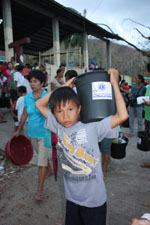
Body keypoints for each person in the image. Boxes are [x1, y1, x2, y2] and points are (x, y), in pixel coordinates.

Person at [35, 68, 128, 225]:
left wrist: (114, 84)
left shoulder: (92, 127)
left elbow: (122, 116)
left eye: (70, 109)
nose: (65, 115)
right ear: (55, 114)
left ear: (79, 109)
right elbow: (39, 104)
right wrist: (63, 88)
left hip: (94, 202)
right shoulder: (58, 127)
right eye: (59, 111)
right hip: (72, 199)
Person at [13, 70, 52, 201]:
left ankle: (39, 191)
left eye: (35, 81)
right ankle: (49, 168)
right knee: (42, 157)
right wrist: (18, 130)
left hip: (44, 134)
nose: (32, 84)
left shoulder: (47, 97)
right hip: (32, 134)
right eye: (30, 81)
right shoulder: (28, 98)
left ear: (42, 83)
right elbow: (25, 115)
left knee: (41, 163)